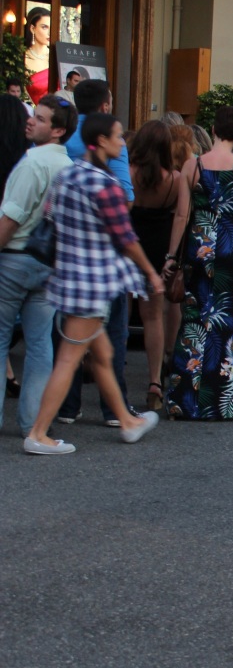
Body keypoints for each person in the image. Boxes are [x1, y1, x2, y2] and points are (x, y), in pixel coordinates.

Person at [25, 113, 164, 454]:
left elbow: (52, 218)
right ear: (101, 140)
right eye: (118, 136)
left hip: (69, 277)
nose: (123, 143)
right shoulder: (106, 186)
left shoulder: (68, 175)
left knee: (101, 355)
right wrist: (150, 271)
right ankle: (38, 433)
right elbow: (126, 238)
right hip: (92, 281)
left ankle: (128, 421)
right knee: (71, 359)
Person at [164, 106, 233, 421]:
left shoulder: (193, 165)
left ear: (214, 130)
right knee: (229, 327)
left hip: (199, 245)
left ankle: (185, 402)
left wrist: (171, 256)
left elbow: (181, 215)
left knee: (195, 321)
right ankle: (225, 404)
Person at [0, 95, 76, 443]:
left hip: (15, 259)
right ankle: (34, 421)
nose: (31, 121)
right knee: (40, 343)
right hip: (51, 263)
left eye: (41, 119)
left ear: (58, 130)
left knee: (2, 341)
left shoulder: (33, 164)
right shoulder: (69, 167)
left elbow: (11, 219)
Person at [128, 120, 188, 411]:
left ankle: (111, 374)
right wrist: (172, 256)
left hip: (129, 248)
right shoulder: (175, 179)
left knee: (117, 315)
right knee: (153, 316)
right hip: (158, 249)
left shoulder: (129, 174)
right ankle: (155, 381)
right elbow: (181, 216)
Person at [23, 8, 51, 105]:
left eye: (52, 27)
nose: (49, 32)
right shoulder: (23, 57)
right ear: (32, 28)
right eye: (44, 27)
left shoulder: (55, 56)